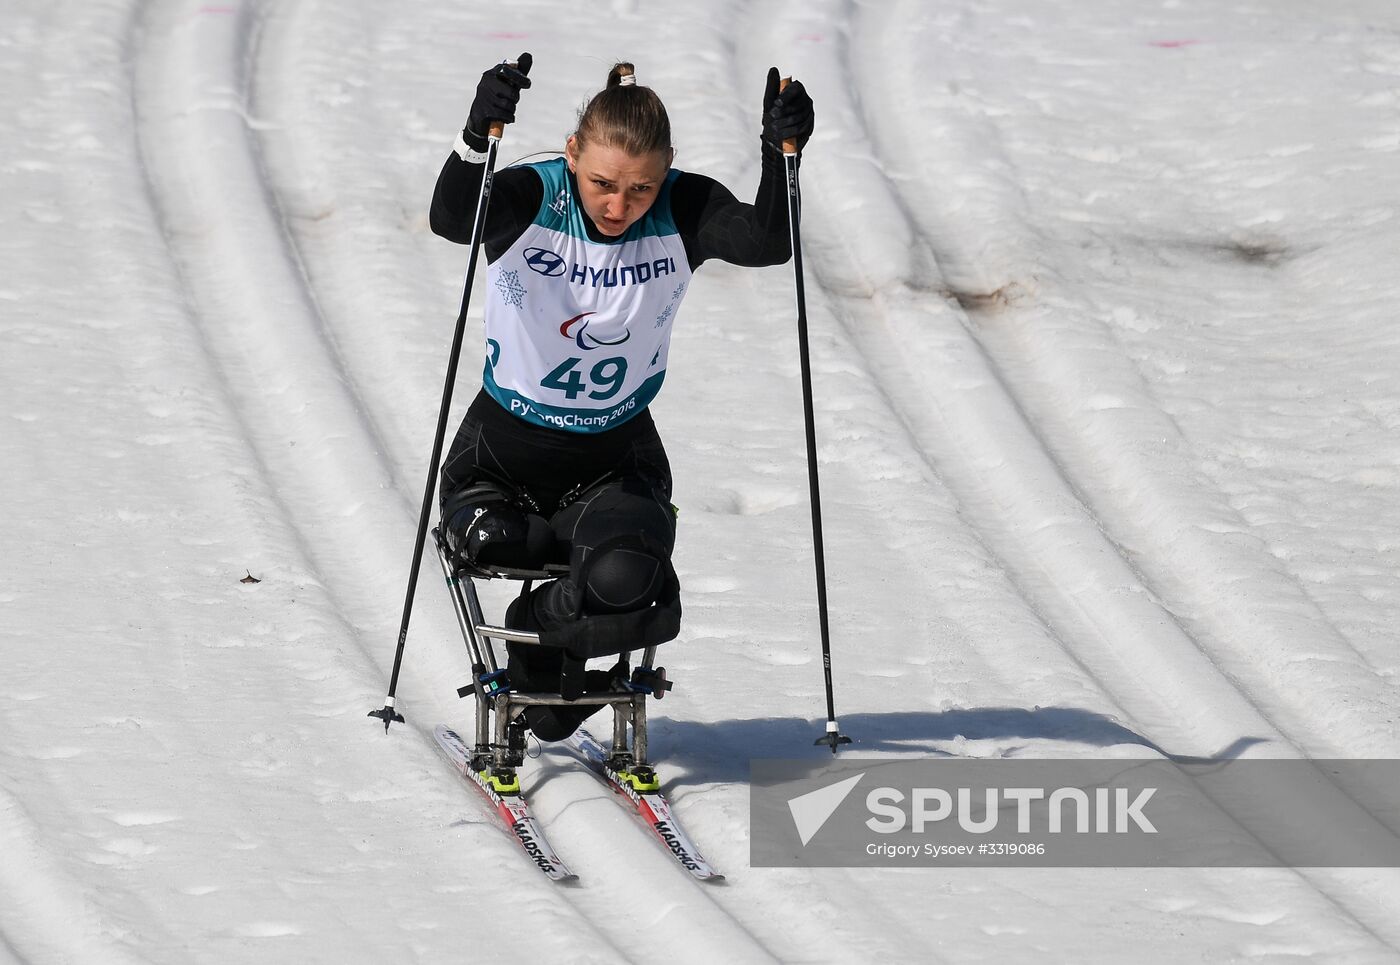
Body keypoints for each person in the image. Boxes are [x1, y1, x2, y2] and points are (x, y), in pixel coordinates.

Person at [429, 54, 814, 740]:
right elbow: (453, 221)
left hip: (615, 458)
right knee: (492, 543)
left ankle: (539, 626)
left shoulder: (682, 208)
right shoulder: (531, 195)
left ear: (664, 174)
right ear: (573, 153)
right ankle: (547, 672)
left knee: (632, 579)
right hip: (500, 454)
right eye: (603, 183)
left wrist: (780, 155)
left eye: (641, 188)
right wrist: (476, 133)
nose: (618, 205)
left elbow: (766, 242)